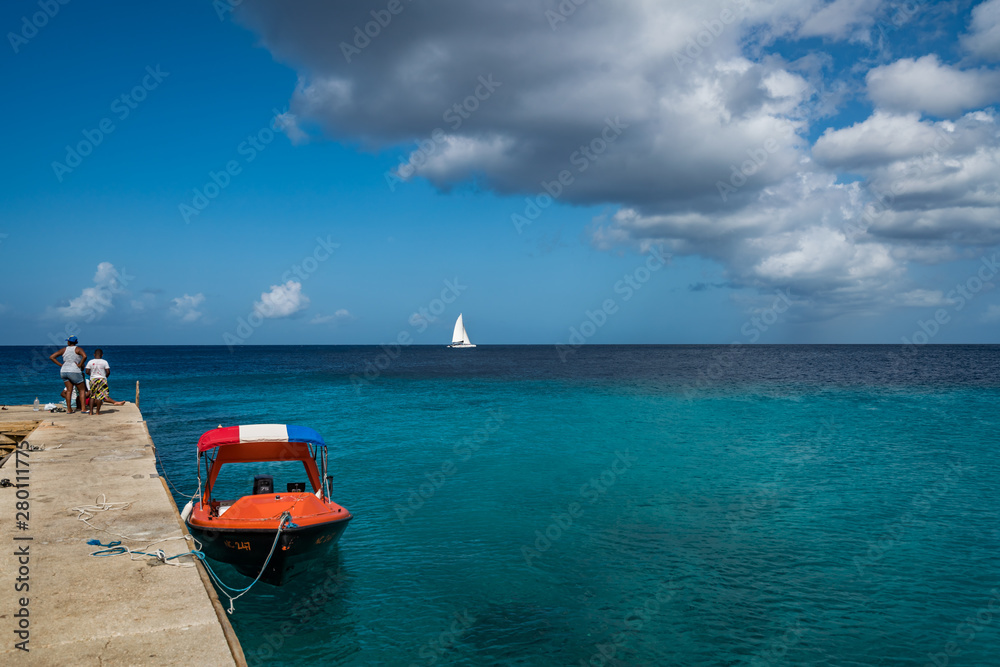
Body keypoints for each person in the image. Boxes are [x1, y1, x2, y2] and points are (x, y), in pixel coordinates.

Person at [49, 336, 87, 414]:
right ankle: (83, 409)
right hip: (74, 371)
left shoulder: (64, 349)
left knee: (69, 390)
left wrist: (61, 365)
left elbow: (52, 357)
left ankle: (69, 410)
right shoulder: (78, 349)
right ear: (76, 342)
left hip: (64, 371)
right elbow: (85, 356)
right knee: (82, 390)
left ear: (68, 342)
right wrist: (80, 364)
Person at [85, 349, 111, 415]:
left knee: (92, 396)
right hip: (102, 379)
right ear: (102, 355)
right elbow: (108, 372)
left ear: (94, 355)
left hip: (93, 379)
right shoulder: (105, 362)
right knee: (100, 396)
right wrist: (104, 377)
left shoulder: (90, 362)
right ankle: (97, 412)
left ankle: (91, 412)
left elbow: (87, 371)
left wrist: (92, 375)